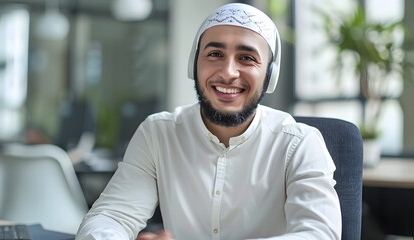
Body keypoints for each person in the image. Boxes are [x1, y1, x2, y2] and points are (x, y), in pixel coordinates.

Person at [76, 3, 342, 240]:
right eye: (215, 54)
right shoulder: (157, 134)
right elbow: (112, 216)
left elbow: (318, 232)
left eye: (247, 58)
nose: (228, 72)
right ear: (194, 65)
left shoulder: (300, 144)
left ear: (269, 75)